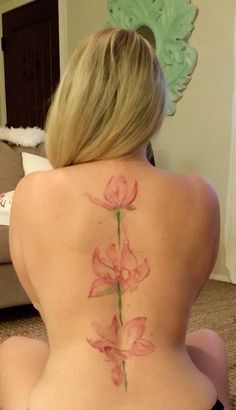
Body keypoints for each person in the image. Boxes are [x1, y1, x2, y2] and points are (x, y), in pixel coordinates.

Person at [0, 28, 231, 410]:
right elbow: (190, 289)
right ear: (152, 104)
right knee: (208, 342)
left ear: (72, 102)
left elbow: (43, 305)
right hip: (189, 403)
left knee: (13, 349)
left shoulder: (32, 192)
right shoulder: (201, 193)